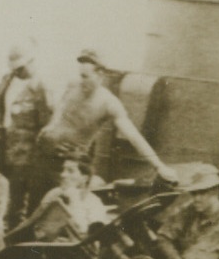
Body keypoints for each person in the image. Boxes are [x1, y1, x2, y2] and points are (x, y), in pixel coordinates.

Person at [32, 49, 177, 202]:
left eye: (86, 77)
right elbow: (61, 109)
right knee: (35, 206)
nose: (82, 81)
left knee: (59, 209)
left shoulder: (108, 103)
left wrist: (159, 166)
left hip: (68, 166)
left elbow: (133, 135)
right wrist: (49, 128)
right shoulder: (73, 86)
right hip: (44, 156)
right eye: (80, 76)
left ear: (100, 75)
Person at [0, 40, 52, 226]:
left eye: (21, 68)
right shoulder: (7, 79)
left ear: (31, 62)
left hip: (24, 154)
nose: (18, 71)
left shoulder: (40, 87)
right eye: (15, 68)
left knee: (16, 199)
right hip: (1, 145)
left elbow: (46, 124)